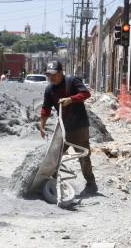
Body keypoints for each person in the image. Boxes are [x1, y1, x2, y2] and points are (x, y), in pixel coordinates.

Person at [39, 60, 98, 194]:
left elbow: (86, 94)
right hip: (63, 129)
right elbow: (45, 109)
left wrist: (70, 99)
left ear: (61, 73)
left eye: (54, 74)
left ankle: (91, 184)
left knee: (83, 156)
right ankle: (51, 183)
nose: (51, 78)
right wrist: (41, 125)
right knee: (54, 157)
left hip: (79, 127)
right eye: (49, 75)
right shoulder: (49, 89)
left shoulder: (72, 81)